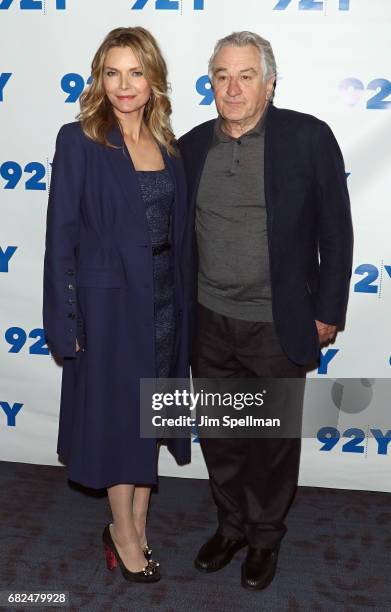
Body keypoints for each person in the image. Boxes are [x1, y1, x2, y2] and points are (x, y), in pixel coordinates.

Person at [178, 31, 353, 590]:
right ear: (211, 83)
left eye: (245, 75)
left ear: (269, 83)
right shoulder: (192, 146)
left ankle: (265, 538)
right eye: (222, 76)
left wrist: (327, 308)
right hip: (208, 320)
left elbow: (336, 231)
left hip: (277, 325)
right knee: (224, 437)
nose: (232, 87)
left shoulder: (308, 138)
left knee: (271, 445)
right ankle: (230, 528)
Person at [43, 26, 190, 584]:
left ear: (153, 79)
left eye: (135, 72)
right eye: (112, 72)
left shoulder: (168, 146)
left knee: (152, 414)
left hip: (164, 298)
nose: (124, 85)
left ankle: (138, 521)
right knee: (116, 420)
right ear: (99, 79)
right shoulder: (78, 139)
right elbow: (61, 235)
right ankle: (123, 532)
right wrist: (64, 318)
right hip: (108, 307)